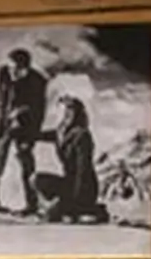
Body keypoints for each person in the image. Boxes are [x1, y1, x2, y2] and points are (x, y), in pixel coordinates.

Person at [0, 46, 47, 214]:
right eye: (12, 67)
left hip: (25, 125)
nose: (13, 72)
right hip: (3, 123)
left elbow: (39, 111)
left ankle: (32, 204)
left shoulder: (37, 81)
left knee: (26, 162)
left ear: (26, 68)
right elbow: (0, 100)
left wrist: (30, 136)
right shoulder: (4, 73)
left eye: (18, 69)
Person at [45, 93, 108, 224]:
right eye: (65, 110)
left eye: (70, 110)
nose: (66, 114)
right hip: (69, 183)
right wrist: (19, 134)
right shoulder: (61, 132)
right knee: (37, 180)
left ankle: (91, 209)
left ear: (77, 113)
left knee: (56, 215)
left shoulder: (82, 135)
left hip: (84, 186)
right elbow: (40, 135)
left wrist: (76, 198)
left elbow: (83, 169)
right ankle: (69, 207)